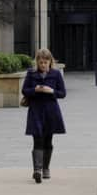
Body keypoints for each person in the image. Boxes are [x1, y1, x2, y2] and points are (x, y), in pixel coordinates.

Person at [22, 48, 66, 183]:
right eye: (41, 62)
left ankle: (46, 168)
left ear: (50, 62)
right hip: (36, 111)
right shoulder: (31, 74)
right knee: (38, 139)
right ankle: (37, 170)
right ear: (37, 62)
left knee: (48, 141)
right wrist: (35, 90)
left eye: (45, 62)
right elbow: (24, 90)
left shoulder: (56, 74)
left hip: (51, 111)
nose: (43, 65)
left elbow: (62, 93)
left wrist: (51, 90)